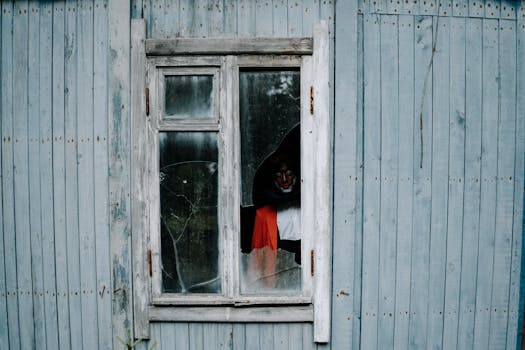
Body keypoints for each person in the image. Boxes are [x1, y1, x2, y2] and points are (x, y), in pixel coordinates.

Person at [248, 126, 301, 289]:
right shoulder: (265, 214)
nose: (285, 180)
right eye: (279, 176)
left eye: (289, 173)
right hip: (276, 289)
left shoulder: (312, 205)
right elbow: (256, 264)